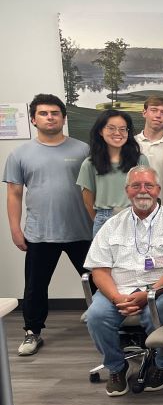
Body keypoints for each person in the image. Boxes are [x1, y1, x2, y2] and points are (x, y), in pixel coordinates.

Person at [3, 94, 92, 356]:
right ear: (33, 119)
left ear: (64, 118)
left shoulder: (83, 150)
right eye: (43, 113)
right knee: (35, 287)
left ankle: (110, 325)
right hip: (40, 233)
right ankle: (32, 331)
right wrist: (15, 229)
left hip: (83, 230)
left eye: (55, 113)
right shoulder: (20, 154)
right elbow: (14, 194)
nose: (50, 117)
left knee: (98, 282)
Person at [83, 166, 163, 396]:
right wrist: (116, 298)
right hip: (118, 289)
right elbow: (99, 270)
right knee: (96, 316)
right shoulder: (111, 225)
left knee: (157, 311)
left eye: (148, 185)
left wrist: (149, 293)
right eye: (136, 186)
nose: (142, 191)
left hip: (159, 288)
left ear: (158, 190)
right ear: (127, 191)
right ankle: (116, 367)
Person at [76, 110, 149, 236]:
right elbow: (88, 201)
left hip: (135, 217)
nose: (117, 133)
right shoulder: (90, 163)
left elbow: (147, 193)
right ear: (100, 131)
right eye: (111, 128)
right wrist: (100, 219)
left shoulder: (140, 160)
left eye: (123, 129)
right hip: (104, 219)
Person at [136, 96, 163, 208]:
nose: (158, 115)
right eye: (154, 110)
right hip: (136, 209)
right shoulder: (130, 144)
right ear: (144, 113)